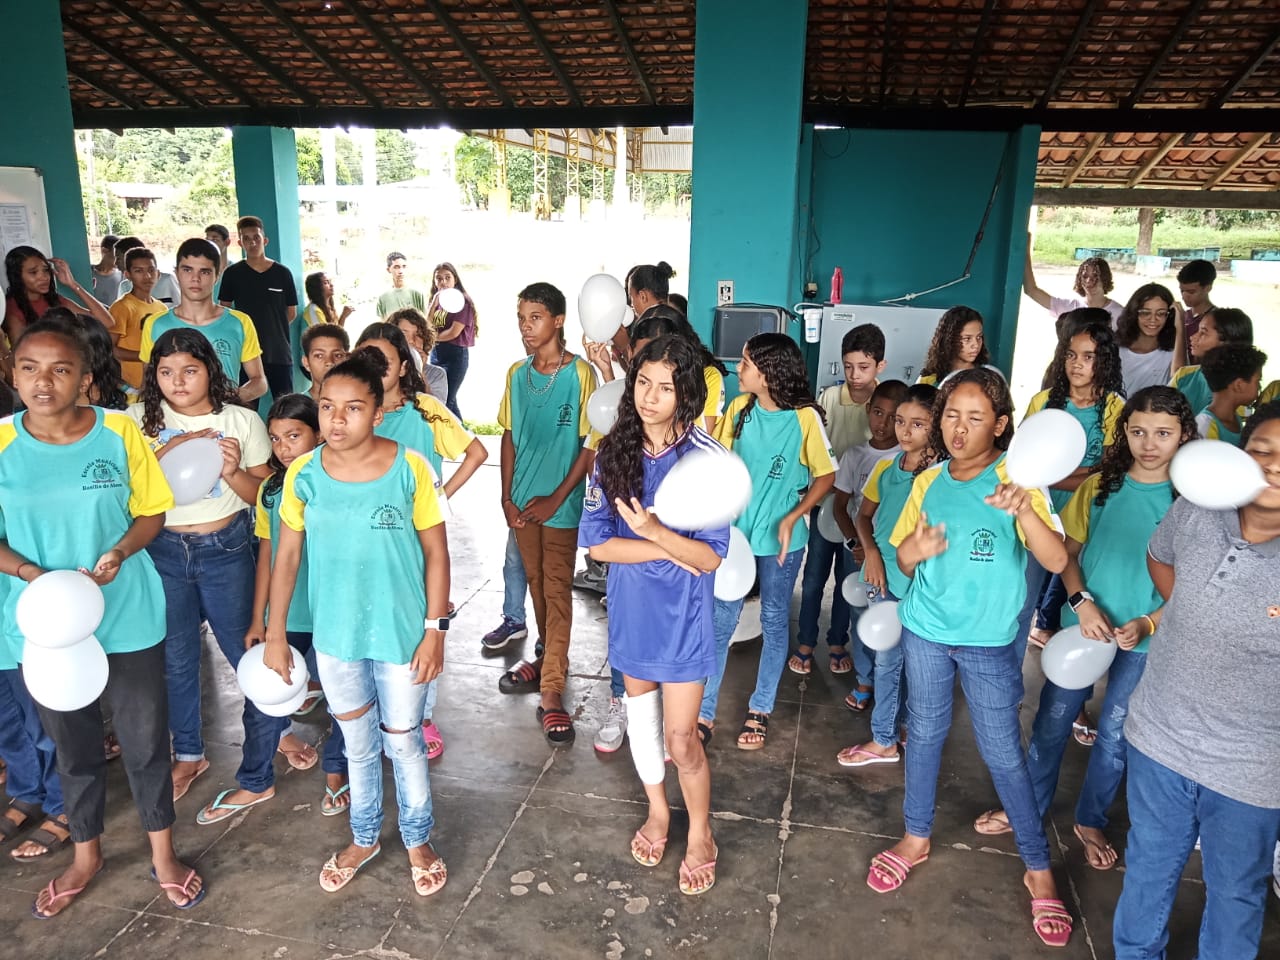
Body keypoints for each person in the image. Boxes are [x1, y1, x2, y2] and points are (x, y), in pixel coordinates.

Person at [0, 319, 204, 918]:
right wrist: (33, 576)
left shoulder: (118, 432)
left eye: (61, 369)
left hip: (127, 614)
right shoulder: (1, 445)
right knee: (74, 747)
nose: (44, 381)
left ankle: (162, 853)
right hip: (45, 628)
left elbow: (152, 513)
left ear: (85, 378)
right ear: (12, 375)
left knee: (144, 742)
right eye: (29, 368)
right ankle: (85, 855)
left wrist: (120, 550)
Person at [870, 368, 1072, 950]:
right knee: (926, 732)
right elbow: (904, 559)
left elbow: (1057, 561)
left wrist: (1025, 514)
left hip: (987, 645)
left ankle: (1038, 866)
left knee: (1004, 753)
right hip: (926, 631)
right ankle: (915, 837)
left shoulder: (1018, 479)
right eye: (950, 415)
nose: (959, 429)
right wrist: (915, 549)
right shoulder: (928, 481)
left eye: (975, 417)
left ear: (1001, 425)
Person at [971, 387, 1196, 867]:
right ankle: (1026, 804)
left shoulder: (1190, 502)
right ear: (1124, 432)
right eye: (1137, 431)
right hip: (1082, 627)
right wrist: (1082, 602)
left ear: (1184, 436)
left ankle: (1090, 818)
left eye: (1163, 433)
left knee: (1116, 732)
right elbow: (1067, 557)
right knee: (1052, 720)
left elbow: (1191, 584)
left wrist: (1148, 622)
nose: (1149, 443)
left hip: (1144, 635)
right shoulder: (1101, 487)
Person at [263, 349, 451, 897]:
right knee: (358, 744)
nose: (337, 421)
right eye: (326, 407)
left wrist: (435, 630)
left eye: (353, 408)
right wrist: (277, 633)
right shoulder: (303, 475)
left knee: (405, 742)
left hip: (402, 636)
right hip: (337, 637)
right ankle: (364, 835)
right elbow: (287, 557)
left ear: (377, 412)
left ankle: (418, 838)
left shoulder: (411, 468)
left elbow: (437, 554)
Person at [1113, 401, 1280, 960]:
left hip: (1251, 769)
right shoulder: (1198, 509)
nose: (1274, 465)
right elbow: (1160, 556)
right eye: (1262, 450)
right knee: (1148, 870)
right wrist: (1188, 607)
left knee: (1236, 892)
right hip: (1161, 737)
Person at [129, 329, 311, 819]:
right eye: (165, 372)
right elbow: (132, 493)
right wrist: (170, 452)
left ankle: (279, 728)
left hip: (227, 548)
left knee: (248, 649)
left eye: (189, 370)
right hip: (163, 550)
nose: (177, 382)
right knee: (178, 658)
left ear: (210, 368)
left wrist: (231, 470)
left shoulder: (242, 420)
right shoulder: (136, 420)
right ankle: (188, 753)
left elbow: (262, 497)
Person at [580, 335, 729, 896]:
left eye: (665, 388)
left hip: (683, 622)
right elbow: (597, 547)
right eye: (643, 382)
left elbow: (710, 557)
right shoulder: (612, 451)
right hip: (631, 613)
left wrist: (656, 533)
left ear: (685, 395)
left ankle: (702, 833)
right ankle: (660, 813)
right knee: (642, 728)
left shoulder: (705, 462)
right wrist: (667, 545)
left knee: (682, 738)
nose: (650, 396)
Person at [355, 326, 488, 757]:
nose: (376, 370)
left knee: (425, 623)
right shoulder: (358, 412)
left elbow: (476, 452)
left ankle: (423, 715)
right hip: (368, 538)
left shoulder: (426, 409)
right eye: (366, 359)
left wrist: (441, 496)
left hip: (418, 540)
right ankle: (381, 709)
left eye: (384, 361)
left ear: (404, 366)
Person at [701, 333, 837, 750]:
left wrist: (796, 515)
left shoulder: (805, 419)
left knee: (775, 621)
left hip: (782, 540)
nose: (737, 370)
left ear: (768, 372)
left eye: (745, 363)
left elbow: (826, 476)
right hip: (735, 538)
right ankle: (705, 711)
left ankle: (760, 709)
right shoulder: (740, 409)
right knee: (720, 622)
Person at [495, 282, 594, 744]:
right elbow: (510, 436)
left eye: (534, 317)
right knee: (536, 585)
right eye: (520, 318)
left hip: (561, 505)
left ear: (558, 321)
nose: (525, 326)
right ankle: (549, 659)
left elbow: (593, 443)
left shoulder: (581, 375)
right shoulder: (517, 374)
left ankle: (552, 690)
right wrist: (506, 497)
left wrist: (557, 498)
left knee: (557, 590)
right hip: (522, 504)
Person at [251, 394, 349, 815]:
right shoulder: (272, 491)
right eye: (275, 438)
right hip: (287, 611)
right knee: (266, 693)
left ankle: (336, 772)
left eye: (294, 436)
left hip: (333, 607)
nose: (283, 447)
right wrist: (260, 617)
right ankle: (254, 778)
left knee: (343, 697)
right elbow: (269, 556)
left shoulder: (340, 482)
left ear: (318, 433)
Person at [838, 382, 939, 766]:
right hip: (885, 582)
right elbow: (863, 516)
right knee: (887, 661)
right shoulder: (886, 468)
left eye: (918, 424)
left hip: (925, 586)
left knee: (923, 664)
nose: (904, 431)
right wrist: (873, 555)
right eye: (900, 421)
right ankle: (884, 739)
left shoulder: (942, 476)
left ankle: (914, 730)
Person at [788, 325, 885, 704]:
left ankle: (837, 642)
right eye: (849, 366)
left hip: (865, 513)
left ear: (880, 365)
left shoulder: (885, 405)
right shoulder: (828, 398)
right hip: (827, 503)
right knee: (813, 578)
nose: (855, 375)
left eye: (864, 366)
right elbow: (814, 445)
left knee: (849, 582)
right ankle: (807, 642)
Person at [1022, 314, 1126, 653]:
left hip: (1086, 521)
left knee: (1078, 593)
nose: (1076, 364)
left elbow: (1109, 469)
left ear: (1104, 361)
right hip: (1042, 517)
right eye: (1070, 355)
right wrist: (1082, 475)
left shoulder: (1114, 407)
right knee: (1023, 600)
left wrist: (1054, 479)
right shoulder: (1043, 402)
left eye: (1088, 356)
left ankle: (1070, 682)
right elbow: (1025, 466)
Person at [824, 380, 908, 709]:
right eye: (878, 413)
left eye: (894, 416)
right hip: (859, 552)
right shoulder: (856, 455)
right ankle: (864, 678)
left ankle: (892, 690)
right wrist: (854, 543)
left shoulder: (907, 460)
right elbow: (842, 506)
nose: (884, 423)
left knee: (892, 623)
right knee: (862, 615)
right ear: (868, 411)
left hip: (896, 558)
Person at [140, 238, 268, 404]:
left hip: (223, 418)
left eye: (205, 272)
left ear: (217, 275)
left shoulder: (239, 322)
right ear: (176, 272)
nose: (195, 279)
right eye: (187, 270)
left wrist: (232, 398)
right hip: (173, 423)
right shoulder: (156, 324)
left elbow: (259, 381)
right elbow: (147, 384)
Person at [218, 216, 300, 400]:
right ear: (240, 243)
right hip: (245, 355)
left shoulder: (282, 273)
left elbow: (291, 312)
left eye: (256, 237)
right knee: (244, 407)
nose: (252, 242)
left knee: (286, 407)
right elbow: (224, 311)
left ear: (265, 239)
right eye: (246, 238)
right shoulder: (233, 274)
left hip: (279, 352)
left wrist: (272, 328)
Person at [3, 245, 114, 349]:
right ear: (17, 276)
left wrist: (73, 284)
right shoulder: (12, 309)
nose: (44, 277)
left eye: (46, 270)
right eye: (33, 272)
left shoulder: (55, 300)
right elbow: (22, 353)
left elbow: (106, 322)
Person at [1171, 306, 1253, 415]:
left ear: (1226, 342)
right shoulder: (1183, 375)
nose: (1192, 337)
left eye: (1203, 333)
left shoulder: (1240, 387)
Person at [1023, 239, 1123, 326]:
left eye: (1095, 276)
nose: (1089, 280)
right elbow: (1031, 291)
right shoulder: (1071, 308)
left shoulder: (1120, 314)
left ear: (1105, 278)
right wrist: (1025, 251)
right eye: (1085, 276)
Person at [109, 247, 165, 389]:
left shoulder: (162, 308)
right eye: (138, 271)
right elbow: (109, 349)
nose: (147, 276)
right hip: (131, 387)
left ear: (158, 274)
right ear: (128, 274)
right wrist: (146, 355)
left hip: (158, 382)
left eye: (151, 270)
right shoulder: (122, 307)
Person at [1115, 283, 1185, 395]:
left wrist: (1180, 327)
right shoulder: (1116, 348)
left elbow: (1181, 382)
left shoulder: (1174, 351)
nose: (1153, 319)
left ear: (1169, 316)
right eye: (1145, 313)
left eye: (1161, 314)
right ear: (1134, 313)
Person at [428, 262, 477, 419]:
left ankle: (452, 440)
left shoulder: (463, 302)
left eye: (447, 278)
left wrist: (431, 337)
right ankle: (465, 438)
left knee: (445, 402)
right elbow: (425, 325)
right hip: (436, 354)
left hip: (455, 355)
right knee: (447, 400)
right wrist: (433, 305)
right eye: (439, 278)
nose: (443, 282)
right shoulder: (437, 300)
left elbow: (453, 332)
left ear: (455, 279)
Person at [1195, 344, 1267, 446]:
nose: (1260, 387)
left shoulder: (1235, 418)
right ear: (1239, 385)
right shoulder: (1205, 426)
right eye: (1258, 381)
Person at [296, 272, 353, 394]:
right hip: (317, 360)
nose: (331, 285)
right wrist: (343, 317)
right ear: (317, 288)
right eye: (326, 283)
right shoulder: (313, 310)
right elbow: (326, 337)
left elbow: (335, 337)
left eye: (330, 282)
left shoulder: (328, 309)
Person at [387, 308, 448, 401]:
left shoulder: (436, 374)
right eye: (404, 334)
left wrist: (420, 372)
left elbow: (436, 412)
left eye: (418, 335)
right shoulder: (382, 370)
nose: (411, 340)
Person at [917, 306, 989, 385]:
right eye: (967, 339)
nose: (976, 345)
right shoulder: (928, 379)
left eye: (979, 337)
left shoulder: (987, 378)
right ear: (950, 340)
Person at [116, 236, 181, 307]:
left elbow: (181, 306)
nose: (115, 263)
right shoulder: (124, 286)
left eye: (119, 258)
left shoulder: (168, 280)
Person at [300, 323, 350, 404]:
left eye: (338, 355)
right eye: (319, 356)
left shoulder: (357, 403)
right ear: (306, 363)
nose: (329, 362)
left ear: (347, 360)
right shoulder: (295, 407)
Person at [1176, 258, 1216, 359]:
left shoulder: (1216, 321)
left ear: (1208, 288)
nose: (1184, 296)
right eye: (1182, 291)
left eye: (1191, 292)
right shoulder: (1183, 315)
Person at [376, 252, 428, 319]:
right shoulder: (383, 297)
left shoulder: (417, 293)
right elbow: (382, 324)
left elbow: (425, 320)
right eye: (396, 267)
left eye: (404, 267)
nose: (401, 271)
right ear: (388, 270)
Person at [91, 234, 122, 307]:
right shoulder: (88, 273)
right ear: (104, 251)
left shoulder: (122, 276)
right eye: (117, 255)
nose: (120, 260)